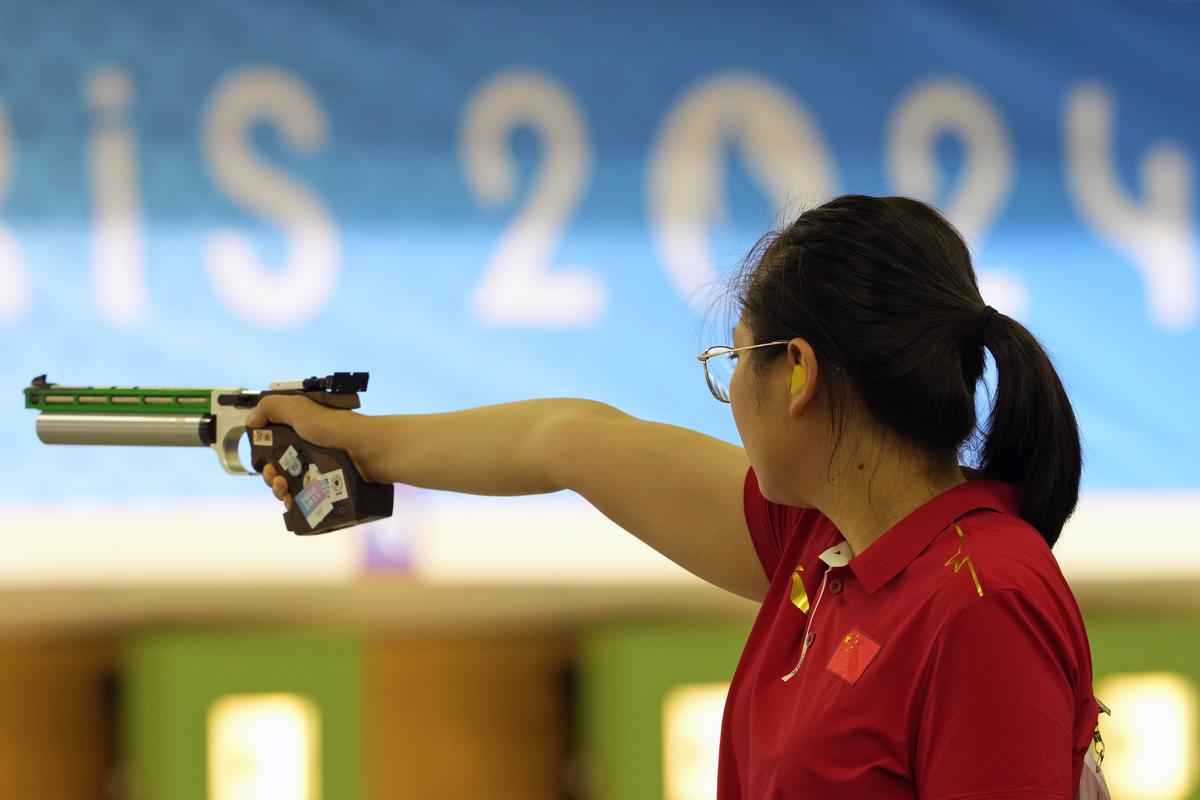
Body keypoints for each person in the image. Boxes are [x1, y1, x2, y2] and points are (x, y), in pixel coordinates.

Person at [246, 194, 1104, 797]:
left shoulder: (982, 601)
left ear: (796, 372)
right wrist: (357, 441)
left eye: (734, 361)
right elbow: (562, 440)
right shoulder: (819, 541)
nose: (731, 392)